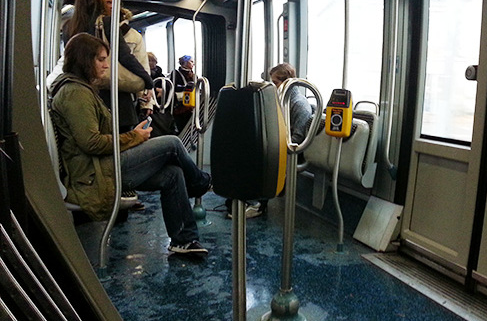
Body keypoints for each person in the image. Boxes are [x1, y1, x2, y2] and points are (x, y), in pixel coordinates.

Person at [50, 33, 211, 255]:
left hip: (102, 165)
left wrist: (132, 136)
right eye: (101, 59)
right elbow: (92, 143)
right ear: (84, 60)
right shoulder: (75, 93)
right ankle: (203, 183)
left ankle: (183, 240)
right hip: (95, 173)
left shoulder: (80, 89)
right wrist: (134, 137)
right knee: (172, 143)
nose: (107, 65)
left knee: (173, 174)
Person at [61, 0, 153, 133]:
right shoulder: (107, 23)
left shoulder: (67, 28)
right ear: (99, 3)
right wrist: (148, 81)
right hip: (114, 100)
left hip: (83, 93)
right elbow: (124, 56)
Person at [225, 63, 312, 219]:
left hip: (292, 151)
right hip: (279, 145)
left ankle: (257, 204)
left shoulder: (299, 105)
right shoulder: (280, 99)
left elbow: (298, 139)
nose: (273, 86)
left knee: (258, 159)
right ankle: (240, 198)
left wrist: (270, 146)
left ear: (287, 82)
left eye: (276, 83)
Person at [101, 0, 154, 119]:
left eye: (114, 2)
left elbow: (142, 66)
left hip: (124, 92)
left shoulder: (133, 36)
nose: (112, 6)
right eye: (107, 2)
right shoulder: (95, 29)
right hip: (98, 90)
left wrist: (147, 103)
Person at [169, 55, 197, 132]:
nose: (193, 64)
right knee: (181, 126)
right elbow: (173, 88)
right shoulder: (175, 74)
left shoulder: (194, 75)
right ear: (185, 63)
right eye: (191, 61)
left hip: (190, 106)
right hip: (179, 106)